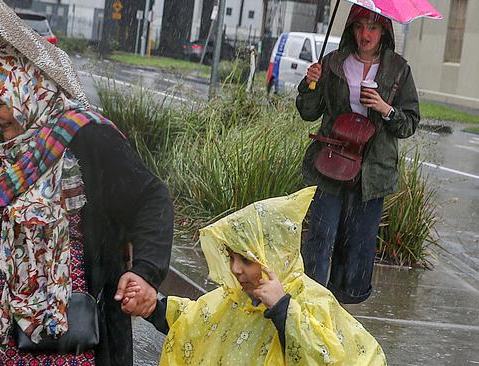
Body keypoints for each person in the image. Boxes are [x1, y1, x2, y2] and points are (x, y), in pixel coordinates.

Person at [0, 45, 173, 365]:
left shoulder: (87, 137)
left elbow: (151, 199)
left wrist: (146, 273)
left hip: (58, 347)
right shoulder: (3, 146)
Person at [127, 187, 386, 365]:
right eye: (231, 257)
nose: (235, 269)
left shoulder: (312, 303)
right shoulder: (236, 299)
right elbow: (197, 321)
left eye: (247, 260)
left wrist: (284, 310)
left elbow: (324, 357)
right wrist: (154, 309)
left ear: (273, 256)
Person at [296, 5, 420, 304]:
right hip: (331, 164)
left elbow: (409, 124)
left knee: (357, 247)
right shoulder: (334, 62)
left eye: (374, 28)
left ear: (384, 32)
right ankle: (311, 303)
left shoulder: (398, 70)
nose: (366, 34)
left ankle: (342, 309)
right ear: (352, 28)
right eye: (361, 26)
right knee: (320, 239)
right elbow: (308, 112)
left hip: (372, 172)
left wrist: (384, 108)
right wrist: (310, 82)